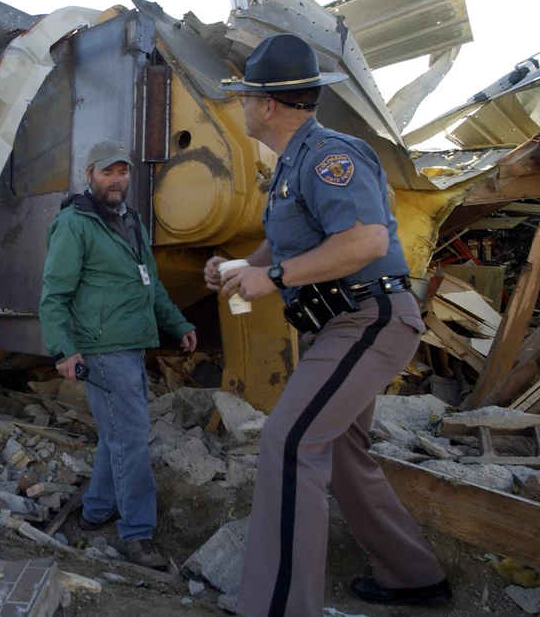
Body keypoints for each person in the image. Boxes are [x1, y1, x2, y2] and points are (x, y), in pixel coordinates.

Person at [206, 33, 452, 616]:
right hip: (342, 324)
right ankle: (411, 576)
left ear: (266, 104)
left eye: (245, 95)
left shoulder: (330, 156)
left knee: (288, 443)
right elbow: (286, 238)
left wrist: (279, 276)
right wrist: (243, 267)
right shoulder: (293, 166)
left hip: (369, 318)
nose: (241, 105)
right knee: (339, 451)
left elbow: (364, 241)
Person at [39, 139, 198, 571]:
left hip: (131, 344)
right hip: (102, 349)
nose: (117, 179)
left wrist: (178, 323)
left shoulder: (131, 221)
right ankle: (138, 532)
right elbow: (54, 294)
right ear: (89, 175)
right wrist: (63, 350)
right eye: (107, 172)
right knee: (131, 437)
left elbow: (151, 284)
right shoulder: (75, 223)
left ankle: (96, 511)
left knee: (116, 434)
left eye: (122, 171)